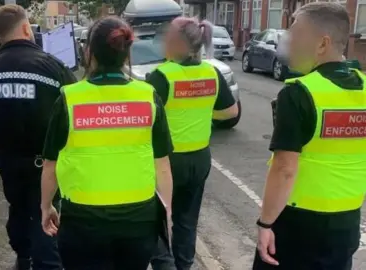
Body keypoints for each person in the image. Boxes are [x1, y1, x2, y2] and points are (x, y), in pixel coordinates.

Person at [40, 16, 174, 270]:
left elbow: (50, 165)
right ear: (126, 53)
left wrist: (46, 207)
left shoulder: (70, 99)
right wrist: (166, 213)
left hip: (82, 222)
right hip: (138, 221)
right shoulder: (147, 96)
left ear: (89, 52)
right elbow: (163, 165)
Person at [253, 2, 366, 270]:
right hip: (346, 223)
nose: (288, 41)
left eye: (295, 34)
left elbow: (284, 169)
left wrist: (266, 223)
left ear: (322, 44)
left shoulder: (298, 93)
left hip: (298, 224)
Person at [0, 4, 76, 270]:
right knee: (45, 211)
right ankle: (47, 264)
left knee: (18, 208)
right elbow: (73, 99)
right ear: (25, 28)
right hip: (46, 161)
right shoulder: (52, 66)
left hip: (8, 159)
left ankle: (23, 257)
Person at [147, 17, 239, 270]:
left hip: (167, 161)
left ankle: (165, 265)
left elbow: (146, 118)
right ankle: (183, 265)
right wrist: (203, 110)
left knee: (158, 219)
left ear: (177, 43)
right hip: (199, 159)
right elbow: (230, 112)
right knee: (187, 221)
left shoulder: (162, 76)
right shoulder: (212, 72)